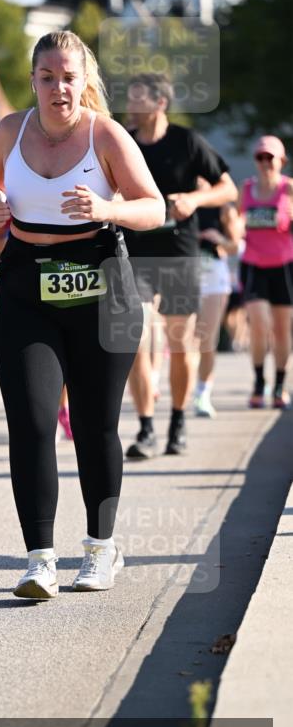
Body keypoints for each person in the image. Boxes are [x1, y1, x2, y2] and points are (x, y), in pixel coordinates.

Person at [0, 30, 164, 599]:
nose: (59, 88)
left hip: (101, 287)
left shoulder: (104, 134)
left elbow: (152, 207)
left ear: (86, 82)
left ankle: (102, 549)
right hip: (26, 285)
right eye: (48, 77)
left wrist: (108, 207)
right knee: (31, 423)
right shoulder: (11, 130)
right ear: (32, 80)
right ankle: (39, 559)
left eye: (69, 77)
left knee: (93, 425)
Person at [123, 74, 237, 458]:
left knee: (179, 341)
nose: (130, 105)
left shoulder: (187, 142)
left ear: (159, 103)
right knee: (136, 340)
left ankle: (177, 422)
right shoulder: (124, 143)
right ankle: (145, 429)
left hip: (178, 253)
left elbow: (228, 188)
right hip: (136, 253)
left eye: (138, 98)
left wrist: (192, 200)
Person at [238, 135, 293, 409]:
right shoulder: (246, 188)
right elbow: (237, 223)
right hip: (253, 264)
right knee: (259, 324)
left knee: (283, 330)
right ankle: (260, 381)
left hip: (284, 265)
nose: (264, 162)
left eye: (269, 157)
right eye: (260, 157)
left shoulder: (289, 189)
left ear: (281, 160)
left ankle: (280, 384)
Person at [192, 181, 244, 418]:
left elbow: (236, 246)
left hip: (214, 277)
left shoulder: (224, 207)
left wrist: (217, 238)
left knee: (207, 339)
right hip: (184, 274)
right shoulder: (183, 202)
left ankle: (203, 393)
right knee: (181, 338)